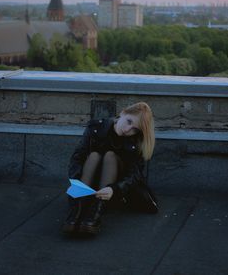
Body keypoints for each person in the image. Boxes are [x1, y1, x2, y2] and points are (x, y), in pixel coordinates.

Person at [62, 101, 157, 236]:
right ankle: (77, 208)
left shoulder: (136, 141)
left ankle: (95, 212)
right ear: (122, 113)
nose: (127, 130)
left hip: (113, 190)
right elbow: (77, 158)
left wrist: (114, 189)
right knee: (94, 155)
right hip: (90, 183)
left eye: (135, 129)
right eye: (129, 121)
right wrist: (76, 182)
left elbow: (134, 174)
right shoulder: (96, 127)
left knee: (110, 156)